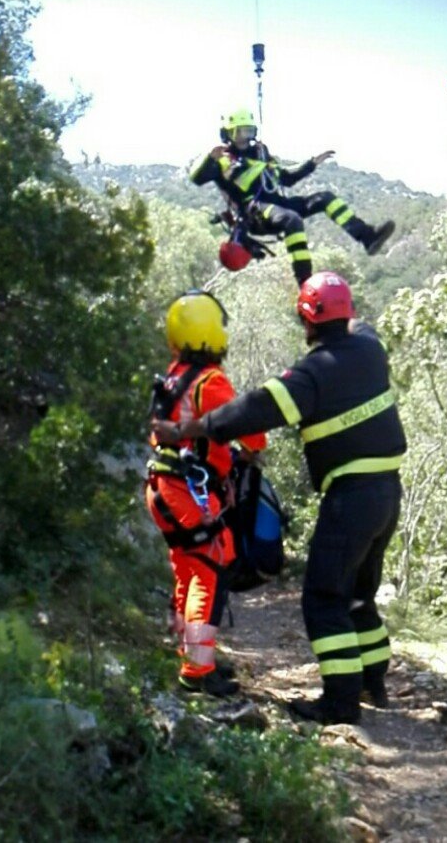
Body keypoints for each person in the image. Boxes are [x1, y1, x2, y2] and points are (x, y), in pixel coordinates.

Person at [151, 271, 406, 724]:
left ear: (306, 321)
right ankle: (373, 682)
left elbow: (252, 412)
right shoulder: (370, 347)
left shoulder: (311, 375)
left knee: (324, 597)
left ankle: (340, 703)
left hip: (350, 497)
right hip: (387, 495)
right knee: (358, 593)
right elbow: (352, 320)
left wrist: (188, 429)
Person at [145, 290, 266, 697]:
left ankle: (192, 655)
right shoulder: (209, 382)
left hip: (162, 486)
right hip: (188, 490)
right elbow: (253, 435)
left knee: (188, 567)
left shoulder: (173, 375)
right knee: (211, 566)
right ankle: (198, 671)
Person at [189, 109, 396, 286]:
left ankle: (367, 237)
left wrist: (312, 163)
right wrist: (210, 157)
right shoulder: (223, 160)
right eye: (240, 132)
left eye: (248, 131)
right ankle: (305, 281)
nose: (245, 137)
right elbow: (196, 178)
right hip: (255, 212)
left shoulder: (260, 153)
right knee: (292, 219)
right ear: (229, 133)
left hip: (278, 204)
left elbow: (286, 178)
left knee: (325, 198)